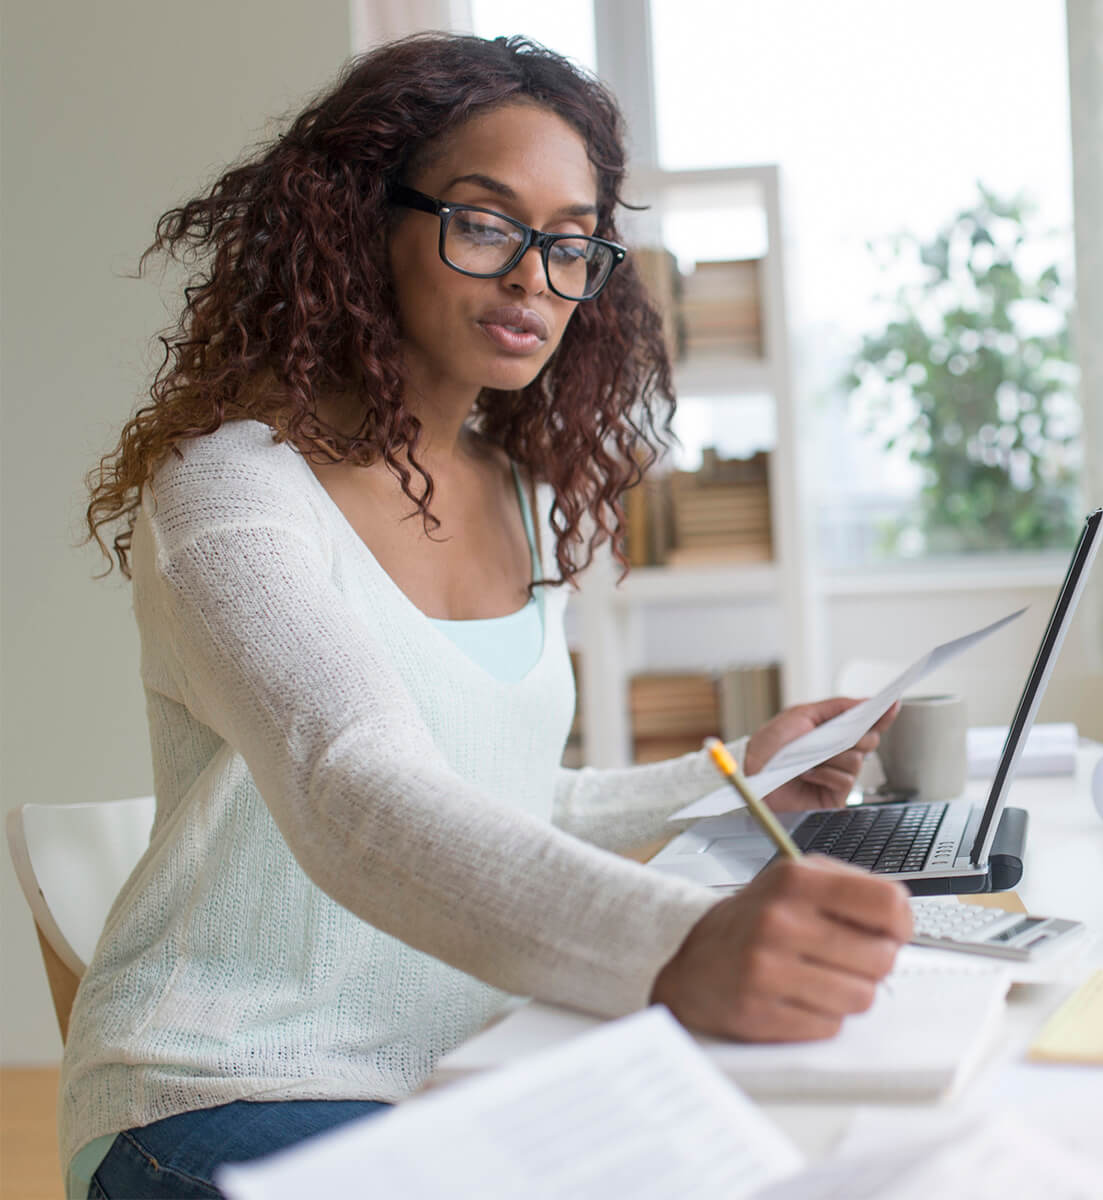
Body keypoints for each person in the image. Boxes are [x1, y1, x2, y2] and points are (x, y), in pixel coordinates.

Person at [69, 31, 911, 1199]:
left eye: (571, 246)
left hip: (480, 1071)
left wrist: (735, 781)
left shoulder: (521, 495)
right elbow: (355, 789)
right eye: (485, 222)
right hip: (231, 1093)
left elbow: (506, 800)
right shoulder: (230, 490)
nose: (532, 277)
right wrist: (673, 947)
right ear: (367, 223)